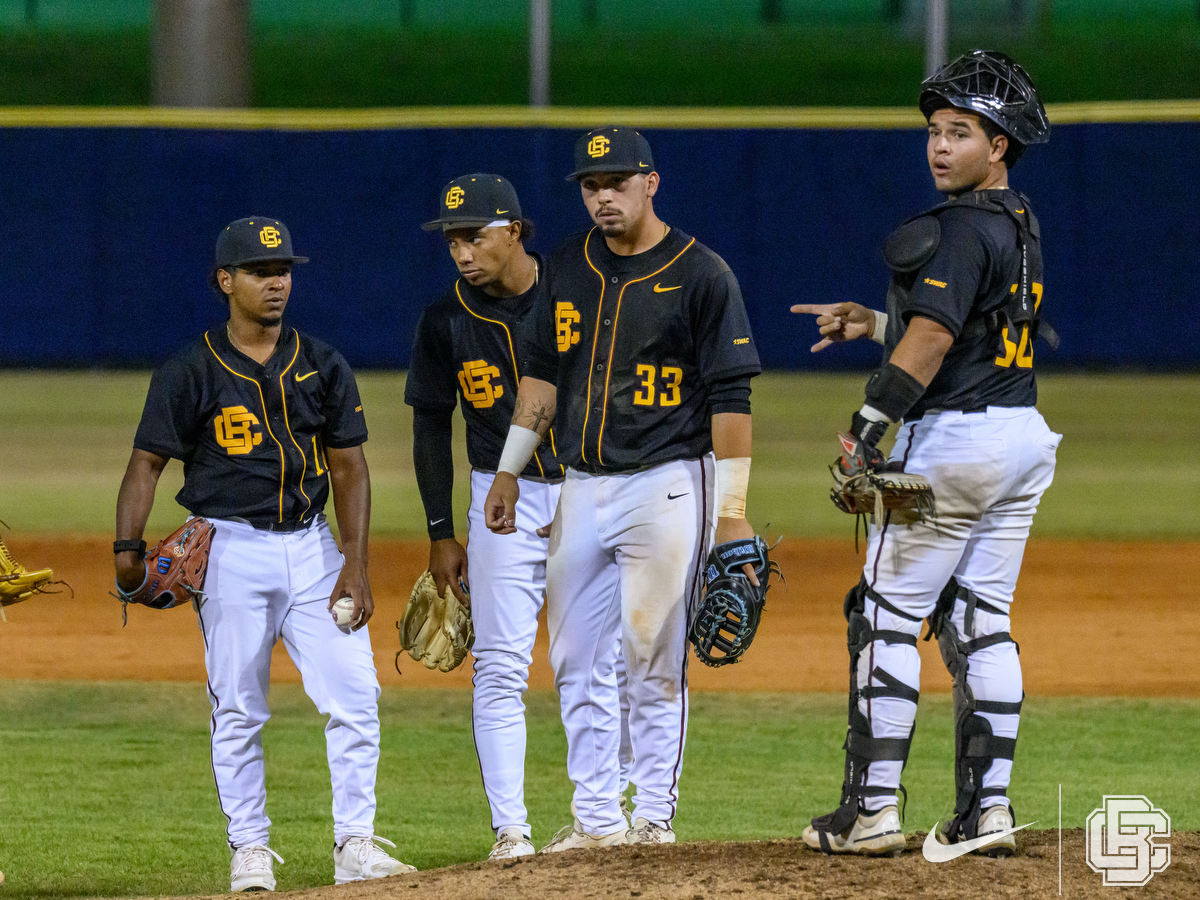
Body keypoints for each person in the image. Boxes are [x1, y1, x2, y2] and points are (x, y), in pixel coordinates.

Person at [793, 50, 1059, 857]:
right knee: (982, 620)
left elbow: (938, 337)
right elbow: (970, 333)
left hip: (958, 444)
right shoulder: (1019, 222)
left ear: (999, 145)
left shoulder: (953, 230)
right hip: (1020, 438)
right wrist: (875, 325)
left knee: (883, 616)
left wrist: (871, 424)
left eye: (961, 132)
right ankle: (988, 814)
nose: (940, 146)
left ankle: (870, 813)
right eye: (936, 131)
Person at [114, 217, 413, 890]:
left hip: (312, 551)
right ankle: (249, 847)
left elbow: (350, 469)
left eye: (283, 271)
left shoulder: (321, 362)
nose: (276, 282)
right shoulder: (190, 369)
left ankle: (355, 845)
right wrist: (126, 550)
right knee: (240, 706)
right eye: (259, 271)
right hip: (228, 553)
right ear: (226, 281)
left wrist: (355, 565)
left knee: (356, 695)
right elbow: (146, 464)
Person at [484, 126, 762, 849]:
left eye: (617, 182)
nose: (603, 196)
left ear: (651, 183)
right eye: (590, 185)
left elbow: (732, 400)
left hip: (669, 482)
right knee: (575, 660)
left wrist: (731, 514)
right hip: (580, 485)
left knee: (653, 657)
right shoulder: (567, 266)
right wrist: (512, 467)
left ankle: (652, 820)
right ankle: (598, 821)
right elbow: (541, 376)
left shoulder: (704, 274)